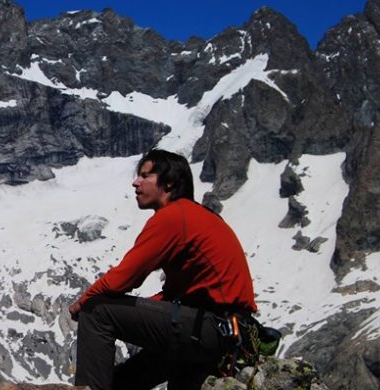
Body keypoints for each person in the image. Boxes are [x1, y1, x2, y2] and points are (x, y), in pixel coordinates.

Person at [67, 149, 257, 390]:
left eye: (145, 176)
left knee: (97, 310)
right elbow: (176, 294)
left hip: (210, 329)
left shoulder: (174, 216)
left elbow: (125, 277)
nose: (136, 182)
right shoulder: (196, 216)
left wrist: (83, 303)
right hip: (222, 335)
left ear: (168, 183)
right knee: (122, 382)